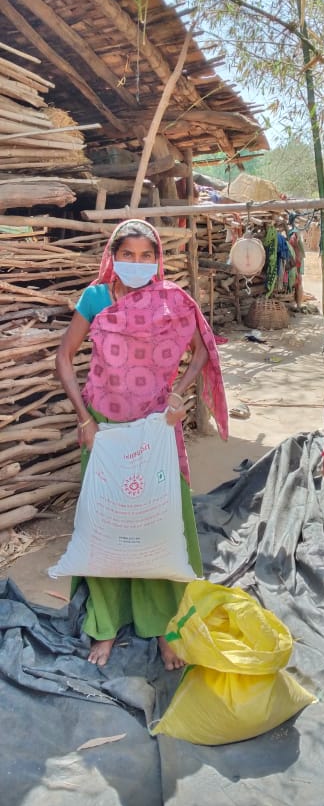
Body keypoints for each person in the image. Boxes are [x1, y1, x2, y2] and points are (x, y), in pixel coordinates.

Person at [56, 219, 228, 669]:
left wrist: (177, 396)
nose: (136, 263)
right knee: (106, 528)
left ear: (158, 260)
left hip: (154, 431)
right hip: (104, 428)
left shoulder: (172, 302)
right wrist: (83, 419)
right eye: (126, 254)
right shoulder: (95, 298)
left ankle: (165, 629)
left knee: (158, 528)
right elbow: (63, 357)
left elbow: (204, 351)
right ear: (112, 257)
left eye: (144, 255)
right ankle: (106, 627)